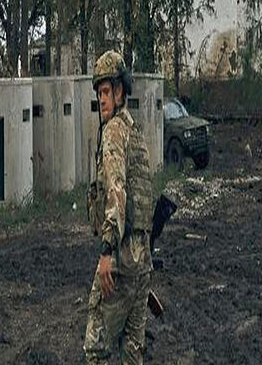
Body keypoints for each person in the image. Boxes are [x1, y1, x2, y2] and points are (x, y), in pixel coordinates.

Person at [84, 50, 154, 364]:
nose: (102, 99)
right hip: (142, 264)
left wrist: (106, 253)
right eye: (99, 93)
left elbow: (117, 193)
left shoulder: (113, 131)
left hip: (122, 261)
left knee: (96, 350)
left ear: (120, 91)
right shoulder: (135, 132)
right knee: (133, 354)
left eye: (106, 91)